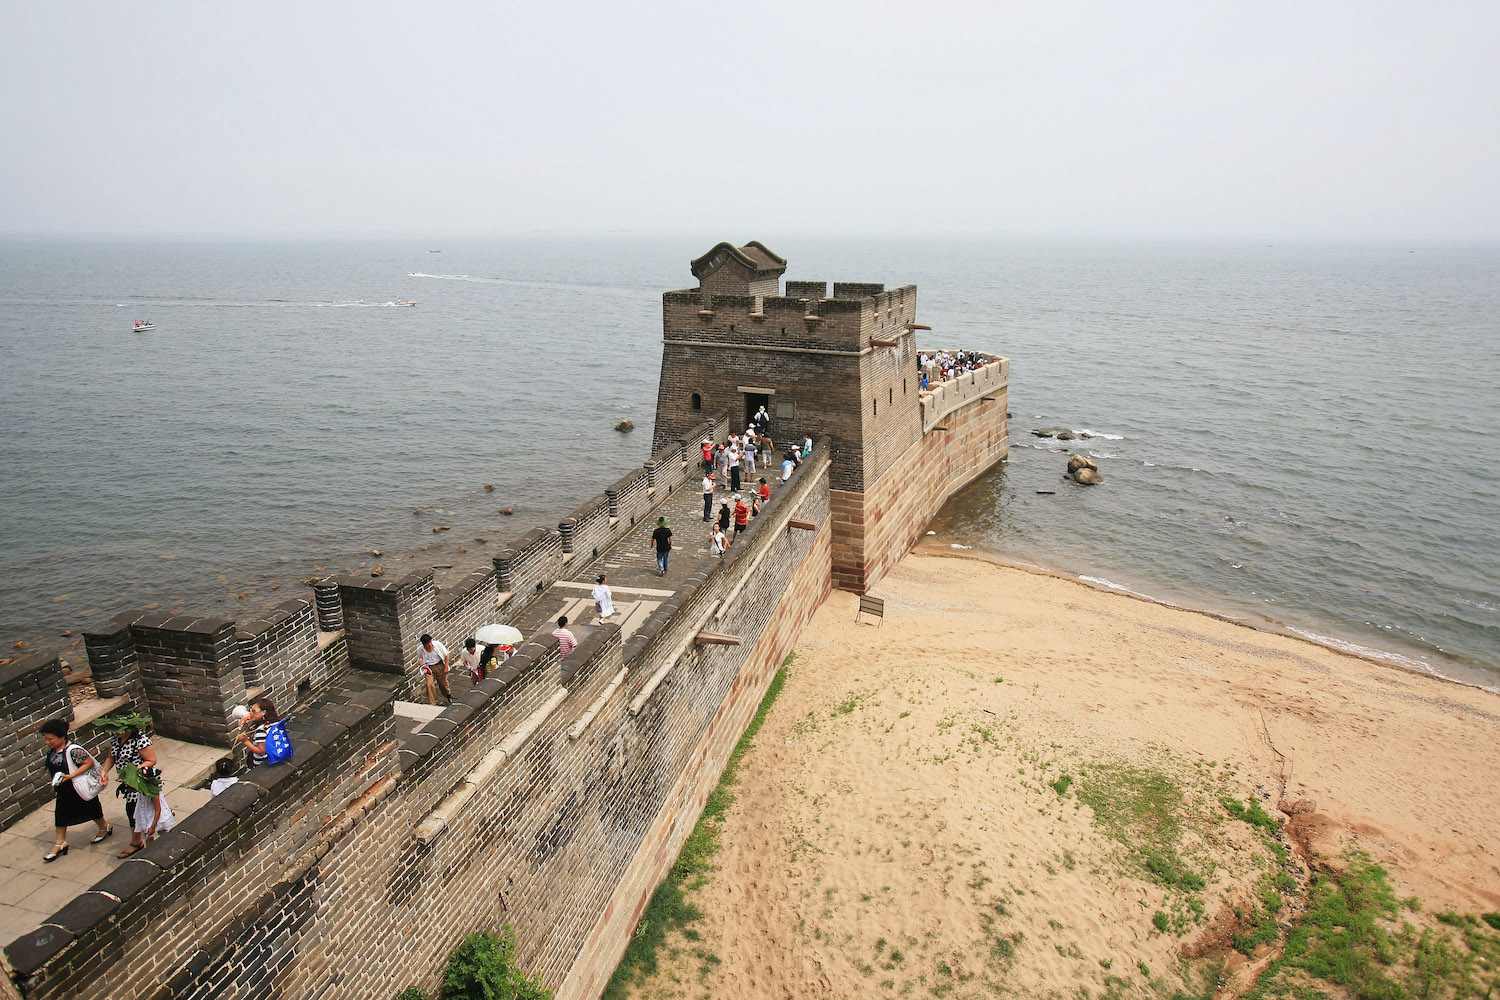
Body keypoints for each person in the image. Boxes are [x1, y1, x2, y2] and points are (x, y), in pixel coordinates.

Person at [40, 719, 110, 861]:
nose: (47, 742)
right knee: (60, 813)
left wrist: (71, 775)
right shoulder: (53, 750)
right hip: (64, 790)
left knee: (92, 809)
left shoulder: (73, 750)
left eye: (50, 739)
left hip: (78, 788)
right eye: (46, 739)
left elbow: (88, 763)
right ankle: (60, 842)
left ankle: (104, 827)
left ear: (61, 737)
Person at [98, 716, 158, 858]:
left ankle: (147, 844)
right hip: (128, 784)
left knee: (140, 812)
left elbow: (151, 760)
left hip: (140, 783)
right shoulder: (116, 740)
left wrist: (130, 773)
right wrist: (104, 771)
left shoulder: (140, 740)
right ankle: (136, 841)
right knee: (133, 811)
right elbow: (111, 757)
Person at [131, 766, 174, 845]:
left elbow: (158, 810)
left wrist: (153, 827)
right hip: (146, 814)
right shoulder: (142, 788)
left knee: (164, 836)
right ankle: (150, 853)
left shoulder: (153, 793)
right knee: (147, 836)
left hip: (156, 816)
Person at [236, 696, 280, 768]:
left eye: (254, 711)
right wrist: (246, 727)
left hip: (263, 764)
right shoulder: (274, 723)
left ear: (263, 712)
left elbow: (261, 751)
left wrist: (245, 741)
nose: (251, 713)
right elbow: (259, 739)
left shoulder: (261, 729)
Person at [417, 633, 452, 705]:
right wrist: (422, 664)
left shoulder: (437, 645)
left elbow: (447, 655)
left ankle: (448, 694)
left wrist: (446, 667)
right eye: (427, 643)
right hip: (429, 668)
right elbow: (419, 659)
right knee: (429, 685)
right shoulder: (420, 649)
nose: (430, 644)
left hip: (439, 666)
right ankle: (432, 703)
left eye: (430, 642)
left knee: (443, 684)